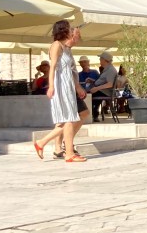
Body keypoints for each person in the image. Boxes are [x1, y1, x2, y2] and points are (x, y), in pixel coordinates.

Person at [32, 21, 88, 163]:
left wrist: (76, 86)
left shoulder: (65, 47)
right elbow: (53, 67)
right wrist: (51, 86)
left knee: (70, 119)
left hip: (68, 86)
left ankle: (43, 144)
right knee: (68, 119)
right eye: (70, 29)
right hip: (61, 86)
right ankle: (67, 153)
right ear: (64, 30)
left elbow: (69, 70)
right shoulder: (56, 45)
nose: (71, 31)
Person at [88, 51, 118, 121]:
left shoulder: (111, 70)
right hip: (102, 90)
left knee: (86, 95)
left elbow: (110, 84)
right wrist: (93, 81)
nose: (99, 60)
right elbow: (102, 81)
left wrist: (97, 88)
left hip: (105, 92)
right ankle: (92, 114)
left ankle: (92, 115)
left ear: (105, 60)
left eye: (100, 59)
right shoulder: (107, 69)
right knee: (86, 93)